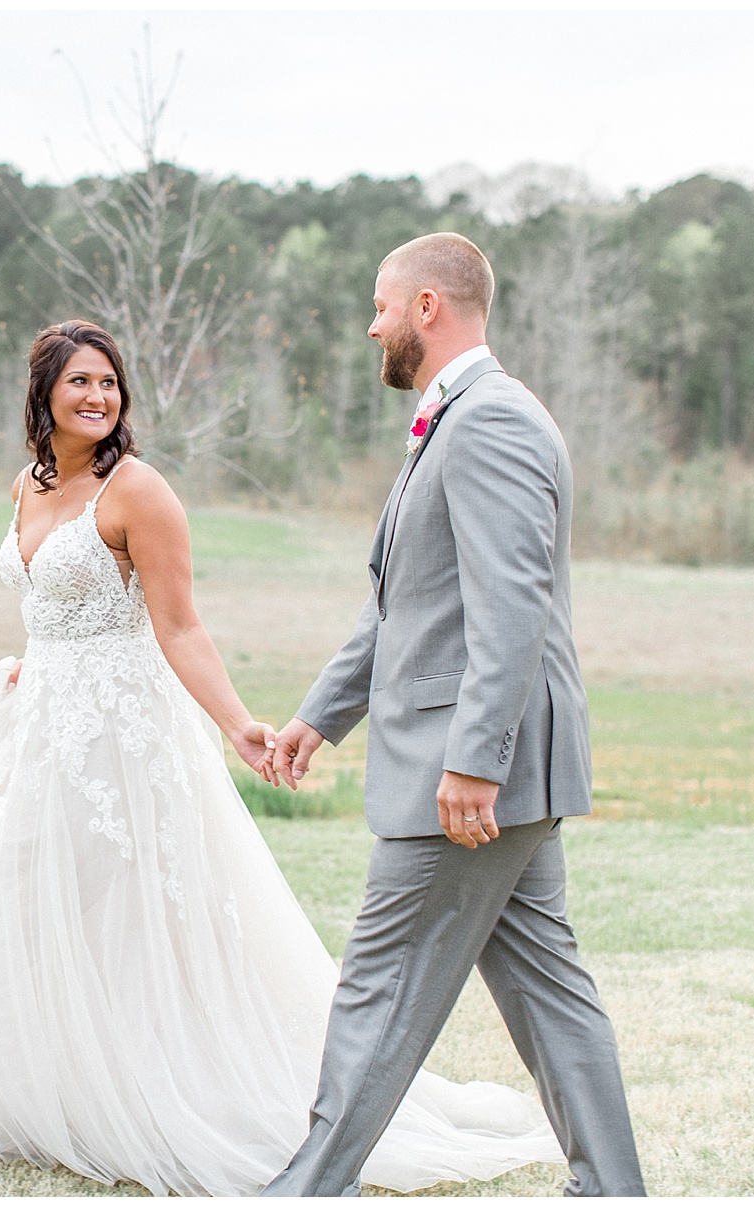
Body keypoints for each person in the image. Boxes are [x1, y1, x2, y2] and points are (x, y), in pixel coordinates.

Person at [0, 318, 564, 1196]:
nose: (96, 397)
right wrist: (31, 664)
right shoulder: (28, 485)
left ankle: (151, 1096)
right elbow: (47, 602)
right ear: (42, 392)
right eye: (79, 381)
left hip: (124, 736)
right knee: (3, 892)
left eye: (109, 383)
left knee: (125, 918)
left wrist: (240, 724)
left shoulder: (138, 491)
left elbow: (181, 625)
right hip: (36, 722)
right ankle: (43, 1093)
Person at [263, 234, 647, 1197]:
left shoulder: (493, 423)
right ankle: (615, 1189)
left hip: (471, 776)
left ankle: (306, 1189)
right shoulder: (459, 418)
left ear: (429, 307)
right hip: (495, 768)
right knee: (547, 992)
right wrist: (322, 714)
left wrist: (475, 760)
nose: (373, 323)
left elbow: (510, 607)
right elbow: (408, 602)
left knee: (378, 984)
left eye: (382, 304)